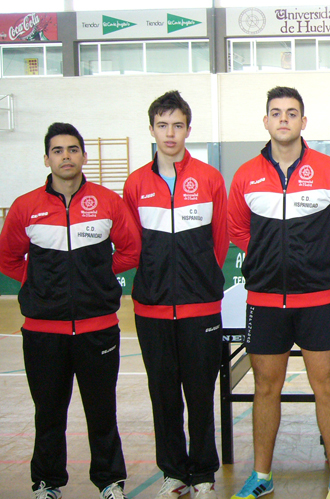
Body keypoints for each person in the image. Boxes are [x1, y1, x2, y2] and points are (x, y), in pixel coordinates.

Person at [228, 86, 330, 498]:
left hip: (320, 300)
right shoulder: (245, 175)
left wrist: (319, 256)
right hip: (265, 302)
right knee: (265, 388)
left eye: (292, 113)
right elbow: (236, 230)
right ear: (266, 121)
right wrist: (270, 257)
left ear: (303, 122)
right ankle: (262, 477)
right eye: (276, 112)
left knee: (327, 387)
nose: (283, 119)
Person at [0, 123, 140, 499]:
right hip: (44, 333)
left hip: (98, 330)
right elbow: (7, 257)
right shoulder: (25, 207)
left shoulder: (108, 202)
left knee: (101, 413)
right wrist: (39, 279)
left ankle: (110, 482)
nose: (66, 156)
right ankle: (47, 483)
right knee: (48, 414)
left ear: (84, 156)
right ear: (47, 158)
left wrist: (96, 275)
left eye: (73, 149)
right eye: (58, 150)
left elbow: (131, 249)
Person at [122, 91, 228, 499]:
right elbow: (132, 246)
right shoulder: (136, 183)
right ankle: (173, 471)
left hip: (200, 307)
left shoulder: (209, 178)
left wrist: (200, 280)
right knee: (163, 393)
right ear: (152, 129)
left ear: (188, 129)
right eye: (162, 125)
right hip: (151, 309)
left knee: (200, 393)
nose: (170, 133)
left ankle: (202, 472)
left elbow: (219, 243)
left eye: (177, 125)